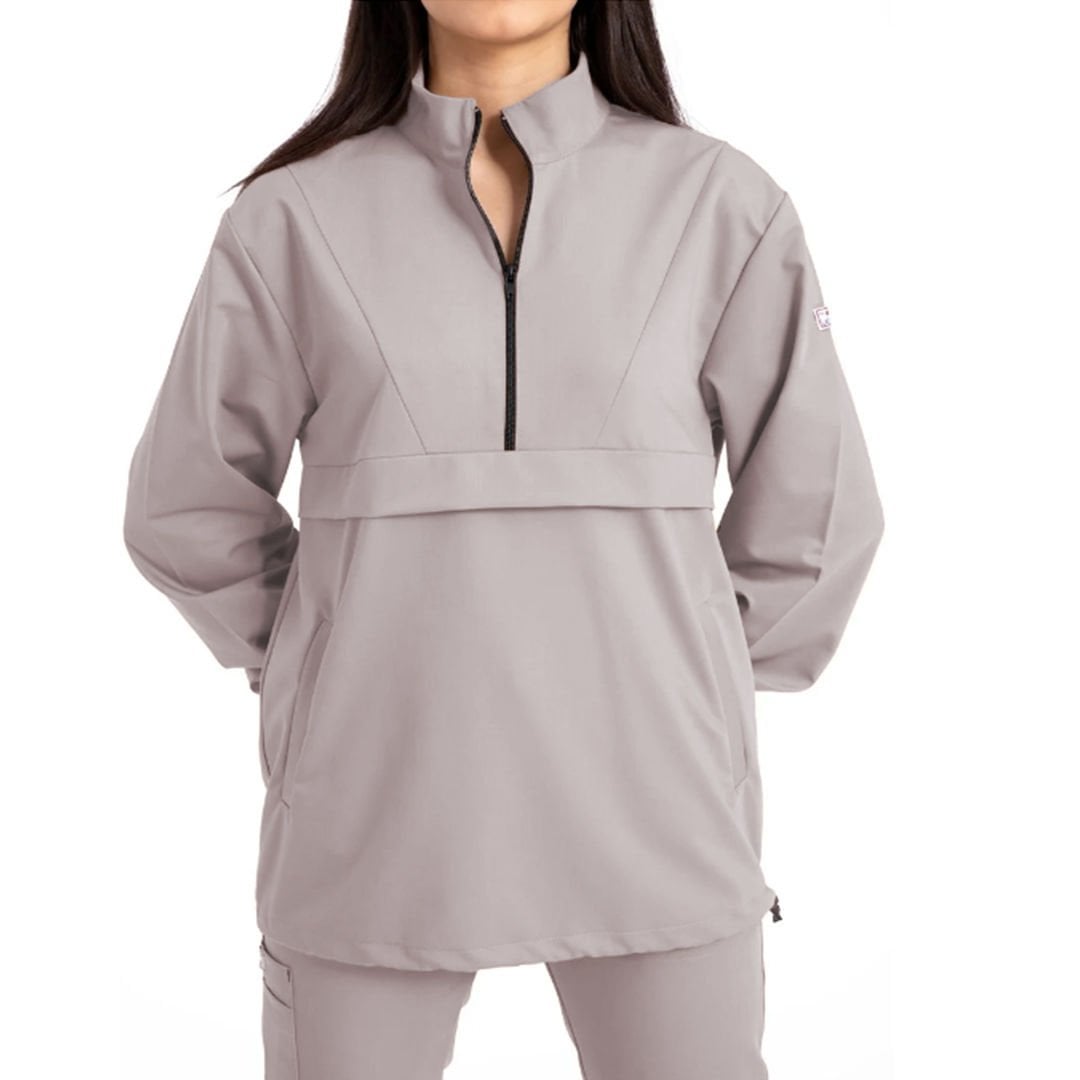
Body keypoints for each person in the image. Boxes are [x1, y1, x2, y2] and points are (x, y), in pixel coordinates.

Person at [122, 1, 885, 1077]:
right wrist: (325, 660)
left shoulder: (724, 203)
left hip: (659, 806)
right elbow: (185, 500)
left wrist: (685, 673)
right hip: (374, 802)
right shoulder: (289, 217)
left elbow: (821, 513)